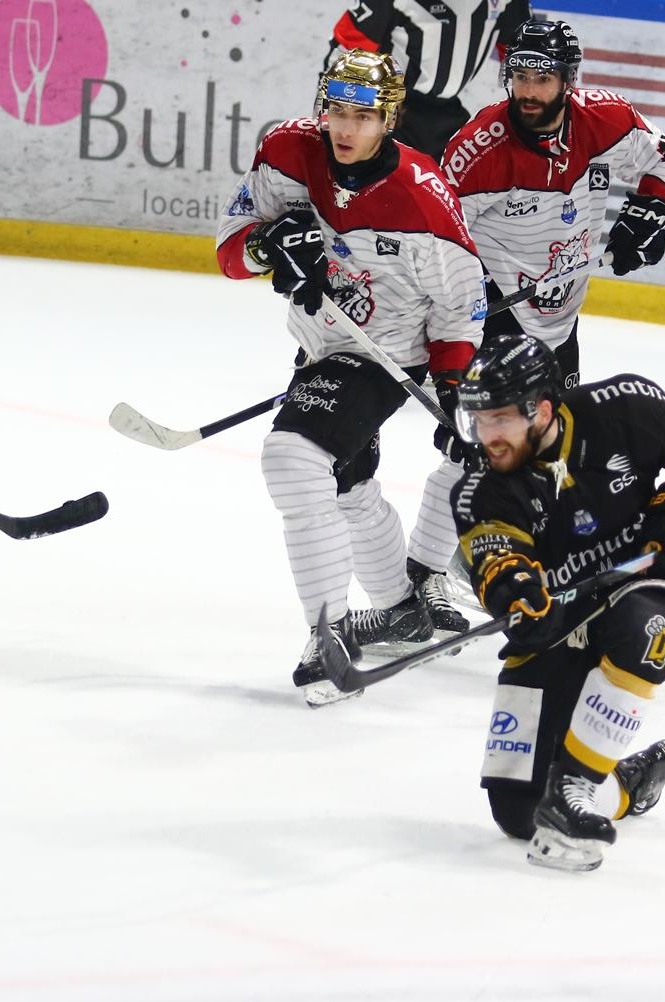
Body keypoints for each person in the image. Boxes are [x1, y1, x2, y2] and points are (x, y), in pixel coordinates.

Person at [401, 19, 665, 634]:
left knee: (552, 455)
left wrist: (650, 213)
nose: (529, 92)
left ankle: (536, 564)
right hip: (494, 332)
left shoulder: (603, 121)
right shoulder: (477, 149)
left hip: (558, 330)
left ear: (569, 80)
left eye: (544, 78)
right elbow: (436, 236)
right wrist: (474, 296)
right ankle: (423, 577)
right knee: (478, 457)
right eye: (520, 78)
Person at [216, 49, 488, 704]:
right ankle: (399, 607)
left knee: (292, 457)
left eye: (362, 116)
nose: (345, 128)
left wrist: (453, 391)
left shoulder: (424, 198)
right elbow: (232, 251)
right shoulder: (287, 151)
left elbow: (462, 306)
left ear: (388, 118)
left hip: (388, 351)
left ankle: (328, 633)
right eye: (336, 111)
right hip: (321, 346)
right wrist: (270, 244)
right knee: (344, 480)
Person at [451, 333, 665, 870]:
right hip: (559, 624)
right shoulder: (480, 490)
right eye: (478, 421)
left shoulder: (628, 409)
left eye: (498, 420)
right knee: (517, 815)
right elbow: (498, 562)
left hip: (641, 590)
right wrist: (515, 593)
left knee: (646, 626)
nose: (485, 435)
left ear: (540, 410)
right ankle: (628, 782)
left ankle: (575, 789)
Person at [325, 0, 532, 160]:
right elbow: (346, 51)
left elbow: (525, 55)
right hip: (391, 114)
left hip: (449, 119)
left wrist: (531, 119)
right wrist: (332, 119)